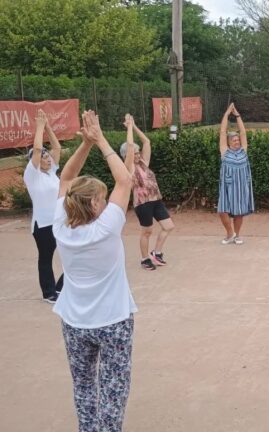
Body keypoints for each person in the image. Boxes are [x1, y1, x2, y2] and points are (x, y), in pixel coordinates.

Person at [52, 110, 137, 432]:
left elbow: (65, 179)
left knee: (83, 385)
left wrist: (85, 144)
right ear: (95, 205)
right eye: (102, 197)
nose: (106, 200)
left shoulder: (61, 225)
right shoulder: (106, 227)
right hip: (113, 321)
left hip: (74, 322)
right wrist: (99, 140)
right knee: (113, 390)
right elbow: (125, 180)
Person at [120, 114, 175, 270]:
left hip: (156, 200)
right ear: (126, 155)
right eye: (134, 153)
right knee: (147, 232)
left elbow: (146, 141)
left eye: (138, 152)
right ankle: (145, 259)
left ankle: (156, 253)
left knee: (168, 226)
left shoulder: (144, 163)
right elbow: (130, 145)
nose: (137, 155)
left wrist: (134, 126)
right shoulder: (128, 167)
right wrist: (128, 128)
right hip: (142, 203)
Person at [23, 109, 64, 303]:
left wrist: (47, 126)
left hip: (59, 221)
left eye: (48, 157)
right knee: (46, 258)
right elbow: (38, 150)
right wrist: (39, 127)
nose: (47, 159)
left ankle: (61, 287)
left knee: (71, 253)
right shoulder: (32, 175)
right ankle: (49, 293)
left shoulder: (52, 172)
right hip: (43, 225)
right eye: (43, 157)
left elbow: (57, 148)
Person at [218, 103, 255, 245]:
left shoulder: (243, 150)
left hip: (241, 185)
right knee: (222, 211)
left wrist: (237, 115)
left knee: (239, 212)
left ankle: (237, 236)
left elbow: (243, 132)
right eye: (234, 140)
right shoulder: (224, 151)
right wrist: (227, 114)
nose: (237, 141)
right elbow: (223, 131)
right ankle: (230, 233)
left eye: (238, 140)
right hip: (227, 186)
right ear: (228, 142)